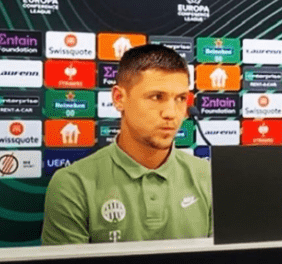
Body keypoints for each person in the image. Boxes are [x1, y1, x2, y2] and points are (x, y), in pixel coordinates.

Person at [42, 44, 211, 244]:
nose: (171, 113)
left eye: (181, 98)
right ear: (119, 98)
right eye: (157, 97)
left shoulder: (210, 177)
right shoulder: (73, 185)